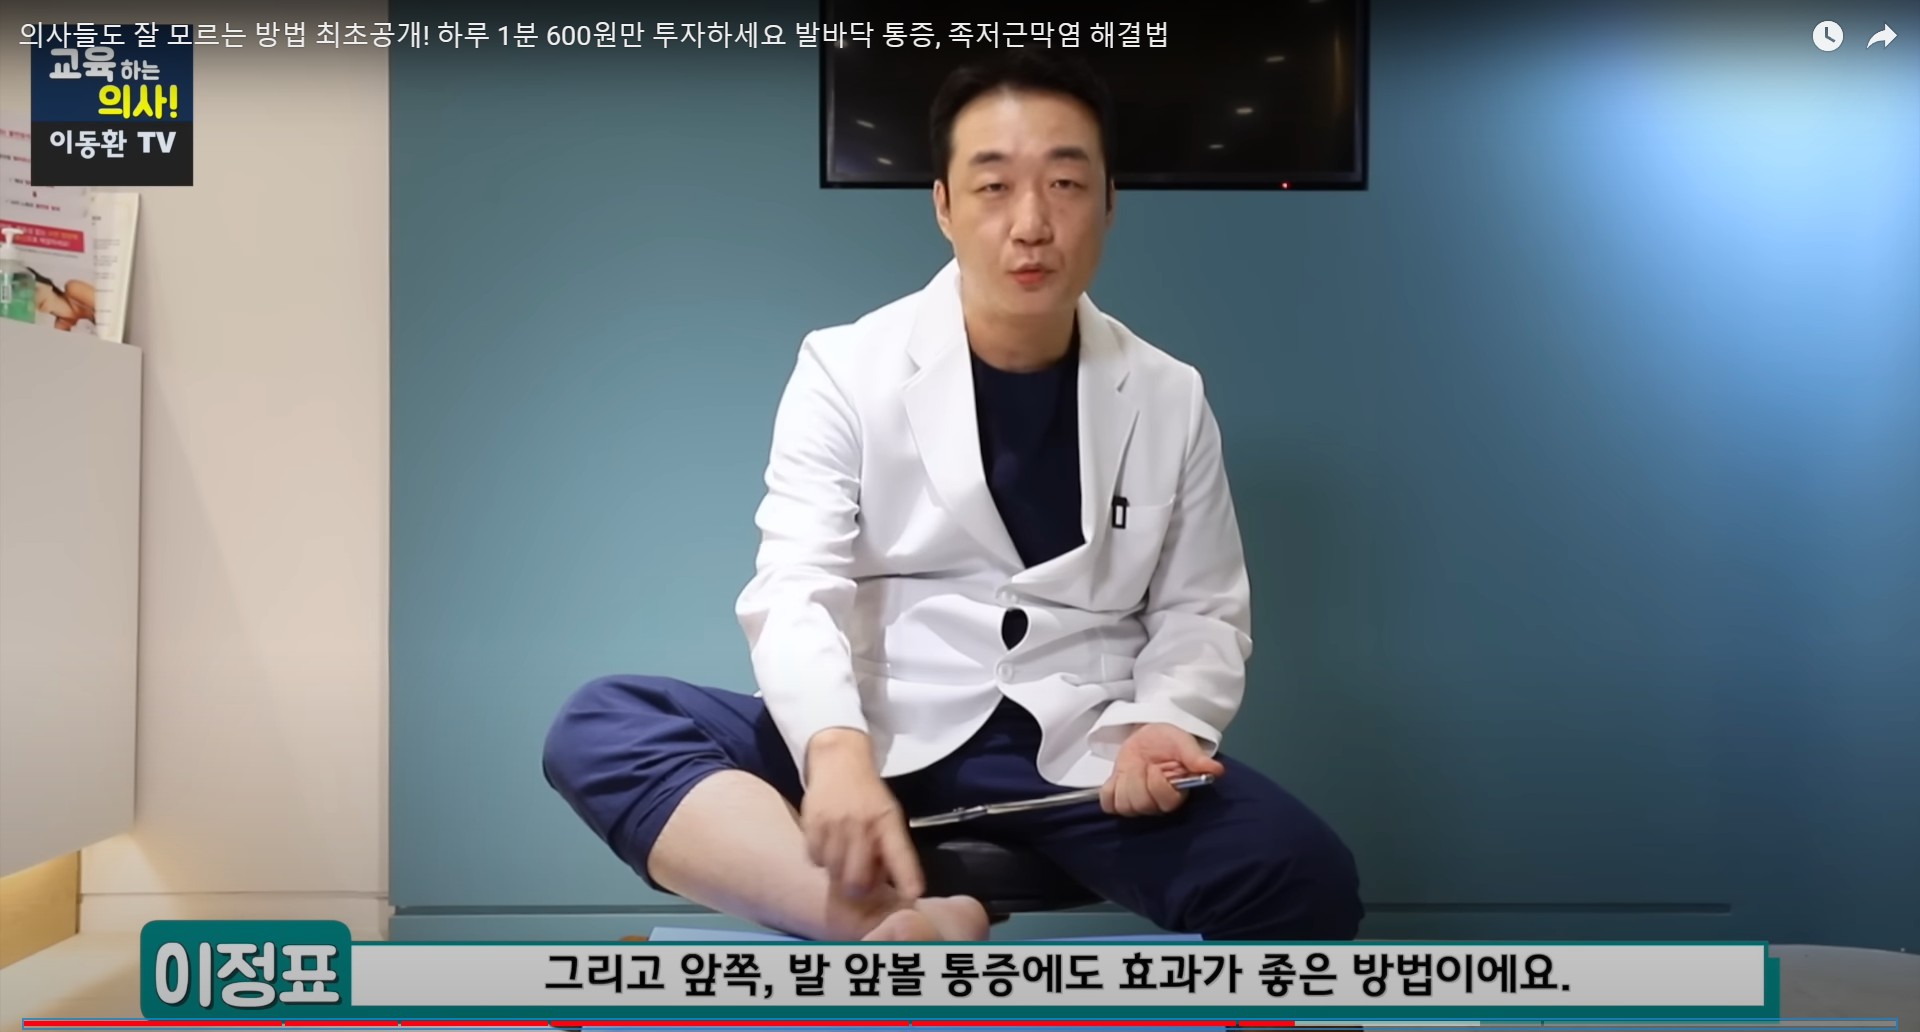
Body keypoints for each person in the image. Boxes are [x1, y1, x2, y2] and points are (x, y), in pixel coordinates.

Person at [543, 51, 1363, 943]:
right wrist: (834, 751)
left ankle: (884, 920)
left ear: (1109, 203)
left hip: (1072, 759)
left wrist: (1164, 721)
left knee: (1303, 875)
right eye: (993, 187)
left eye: (1065, 184)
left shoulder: (1169, 394)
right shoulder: (844, 366)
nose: (1032, 225)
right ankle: (889, 922)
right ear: (942, 204)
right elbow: (795, 587)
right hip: (873, 725)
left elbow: (1201, 609)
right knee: (602, 725)